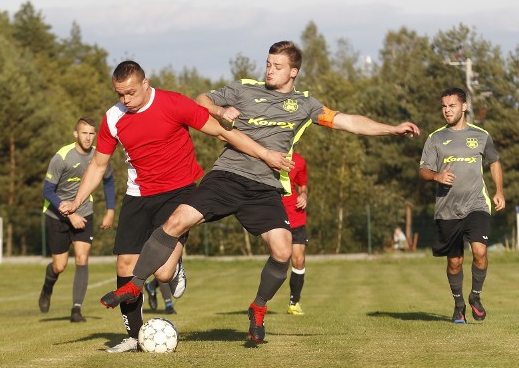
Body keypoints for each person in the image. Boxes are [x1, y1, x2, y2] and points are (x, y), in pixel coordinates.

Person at [98, 41, 420, 342]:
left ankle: (259, 307)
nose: (269, 70)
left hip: (265, 187)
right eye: (268, 64)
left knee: (283, 250)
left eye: (277, 66)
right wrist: (221, 111)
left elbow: (348, 121)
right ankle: (134, 285)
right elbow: (202, 100)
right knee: (176, 220)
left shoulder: (305, 105)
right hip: (226, 175)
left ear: (293, 72)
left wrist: (391, 128)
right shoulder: (244, 89)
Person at [59, 61, 291, 352]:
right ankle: (132, 336)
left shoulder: (174, 103)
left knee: (164, 275)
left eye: (130, 93)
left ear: (145, 83)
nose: (125, 100)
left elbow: (222, 133)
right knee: (125, 265)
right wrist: (78, 201)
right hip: (138, 194)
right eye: (119, 94)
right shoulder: (113, 118)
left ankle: (176, 264)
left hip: (179, 192)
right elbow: (98, 164)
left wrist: (264, 153)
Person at [419, 87, 504, 324]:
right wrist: (435, 176)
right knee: (454, 262)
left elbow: (494, 162)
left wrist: (498, 191)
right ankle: (459, 306)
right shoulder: (435, 138)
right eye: (444, 106)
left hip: (476, 204)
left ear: (464, 106)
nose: (447, 110)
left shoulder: (481, 135)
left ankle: (475, 297)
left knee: (480, 251)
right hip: (447, 209)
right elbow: (423, 170)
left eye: (452, 106)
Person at [38, 117, 116, 323]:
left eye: (92, 133)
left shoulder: (99, 156)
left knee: (82, 258)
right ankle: (47, 287)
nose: (88, 137)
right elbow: (47, 190)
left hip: (85, 212)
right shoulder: (61, 157)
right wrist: (70, 214)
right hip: (56, 214)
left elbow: (108, 181)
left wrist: (110, 210)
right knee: (60, 266)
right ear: (76, 134)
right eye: (84, 133)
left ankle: (76, 309)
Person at [281, 151, 308, 316]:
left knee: (298, 260)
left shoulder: (299, 160)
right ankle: (261, 301)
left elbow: (302, 185)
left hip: (296, 215)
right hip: (274, 215)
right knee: (280, 257)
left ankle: (294, 302)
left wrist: (304, 194)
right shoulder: (265, 155)